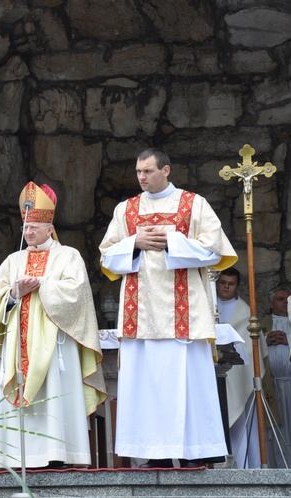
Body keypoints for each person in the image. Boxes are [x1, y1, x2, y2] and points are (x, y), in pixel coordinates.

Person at [99, 148, 237, 468]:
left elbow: (215, 250)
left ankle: (195, 452)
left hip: (184, 315)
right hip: (141, 314)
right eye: (138, 172)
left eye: (148, 171)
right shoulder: (127, 209)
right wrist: (134, 243)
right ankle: (154, 453)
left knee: (189, 385)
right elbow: (107, 257)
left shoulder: (193, 204)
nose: (142, 177)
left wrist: (172, 240)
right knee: (147, 386)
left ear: (166, 170)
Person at [0, 182, 106, 469]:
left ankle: (58, 454)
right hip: (19, 343)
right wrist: (14, 294)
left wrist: (42, 285)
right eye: (25, 228)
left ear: (50, 228)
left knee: (54, 395)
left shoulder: (68, 256)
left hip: (55, 345)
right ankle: (17, 456)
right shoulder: (14, 259)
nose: (28, 233)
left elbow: (77, 293)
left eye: (34, 228)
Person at [215, 268, 263, 468]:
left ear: (237, 286)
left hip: (237, 376)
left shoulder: (246, 313)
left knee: (240, 422)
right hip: (212, 375)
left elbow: (255, 351)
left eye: (231, 283)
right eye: (223, 282)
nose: (226, 287)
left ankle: (243, 466)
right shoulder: (206, 307)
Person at [261, 284, 291, 466]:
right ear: (271, 304)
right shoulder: (263, 323)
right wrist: (265, 341)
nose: (285, 304)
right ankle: (279, 466)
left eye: (288, 300)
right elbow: (251, 348)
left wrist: (288, 339)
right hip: (271, 386)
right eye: (280, 299)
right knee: (276, 430)